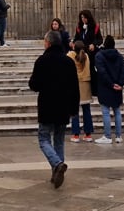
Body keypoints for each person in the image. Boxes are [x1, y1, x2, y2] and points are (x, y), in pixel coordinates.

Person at [29, 30, 79, 188]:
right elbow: (74, 87)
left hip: (47, 105)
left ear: (48, 43)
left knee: (43, 139)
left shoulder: (42, 61)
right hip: (64, 106)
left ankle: (57, 164)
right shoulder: (68, 62)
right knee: (59, 140)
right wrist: (74, 108)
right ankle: (56, 173)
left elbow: (34, 85)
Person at [94, 36, 124, 144]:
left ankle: (107, 136)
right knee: (117, 111)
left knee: (106, 112)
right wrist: (120, 84)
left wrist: (111, 84)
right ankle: (118, 135)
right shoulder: (119, 56)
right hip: (117, 87)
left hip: (105, 87)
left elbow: (102, 72)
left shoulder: (99, 56)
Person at [67, 41, 94, 143]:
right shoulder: (86, 56)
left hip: (75, 84)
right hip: (86, 84)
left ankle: (76, 134)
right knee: (86, 110)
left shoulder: (70, 56)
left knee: (75, 111)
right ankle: (88, 134)